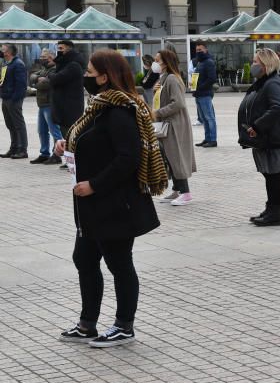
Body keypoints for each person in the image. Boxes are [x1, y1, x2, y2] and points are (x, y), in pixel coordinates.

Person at [54, 49, 166, 347]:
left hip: (115, 203)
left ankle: (124, 326)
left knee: (119, 263)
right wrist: (67, 147)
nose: (85, 77)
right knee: (84, 258)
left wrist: (94, 185)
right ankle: (87, 323)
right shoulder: (98, 106)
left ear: (105, 77)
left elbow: (128, 158)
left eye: (90, 72)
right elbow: (93, 144)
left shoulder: (120, 110)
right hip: (92, 205)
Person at [238, 48, 280, 226]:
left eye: (256, 62)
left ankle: (275, 213)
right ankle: (270, 209)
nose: (252, 65)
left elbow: (278, 107)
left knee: (273, 175)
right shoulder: (263, 82)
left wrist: (258, 125)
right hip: (265, 138)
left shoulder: (272, 83)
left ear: (266, 64)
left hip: (273, 138)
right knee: (269, 175)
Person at [151, 49, 197, 206]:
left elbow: (178, 103)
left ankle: (186, 192)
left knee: (176, 157)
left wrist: (157, 113)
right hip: (167, 124)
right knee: (169, 157)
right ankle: (177, 190)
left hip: (174, 124)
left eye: (157, 60)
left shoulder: (171, 79)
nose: (155, 63)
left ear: (166, 62)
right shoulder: (164, 78)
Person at [29, 49, 62, 164]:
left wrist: (37, 81)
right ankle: (44, 153)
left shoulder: (56, 69)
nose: (42, 58)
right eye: (42, 56)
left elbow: (45, 85)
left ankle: (57, 154)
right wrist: (38, 79)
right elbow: (32, 76)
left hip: (50, 103)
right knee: (42, 130)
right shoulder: (44, 69)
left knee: (54, 131)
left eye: (45, 57)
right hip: (42, 104)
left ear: (52, 57)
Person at [48, 40, 86, 139]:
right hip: (63, 107)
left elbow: (56, 79)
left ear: (69, 50)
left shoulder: (73, 65)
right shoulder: (64, 63)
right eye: (58, 48)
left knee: (69, 137)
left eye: (61, 48)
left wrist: (50, 74)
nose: (59, 51)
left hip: (69, 109)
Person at [0, 44, 29, 159]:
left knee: (18, 124)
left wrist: (14, 99)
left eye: (3, 49)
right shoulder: (6, 63)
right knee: (10, 124)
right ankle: (14, 148)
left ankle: (22, 149)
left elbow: (21, 85)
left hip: (13, 99)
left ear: (8, 52)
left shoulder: (18, 64)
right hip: (5, 97)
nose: (1, 51)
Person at [192, 41, 218, 147]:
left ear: (206, 50)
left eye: (200, 50)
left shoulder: (208, 62)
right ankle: (207, 138)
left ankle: (212, 140)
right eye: (197, 50)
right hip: (198, 94)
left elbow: (212, 79)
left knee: (209, 117)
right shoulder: (199, 62)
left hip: (205, 94)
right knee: (203, 118)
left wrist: (200, 87)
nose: (198, 52)